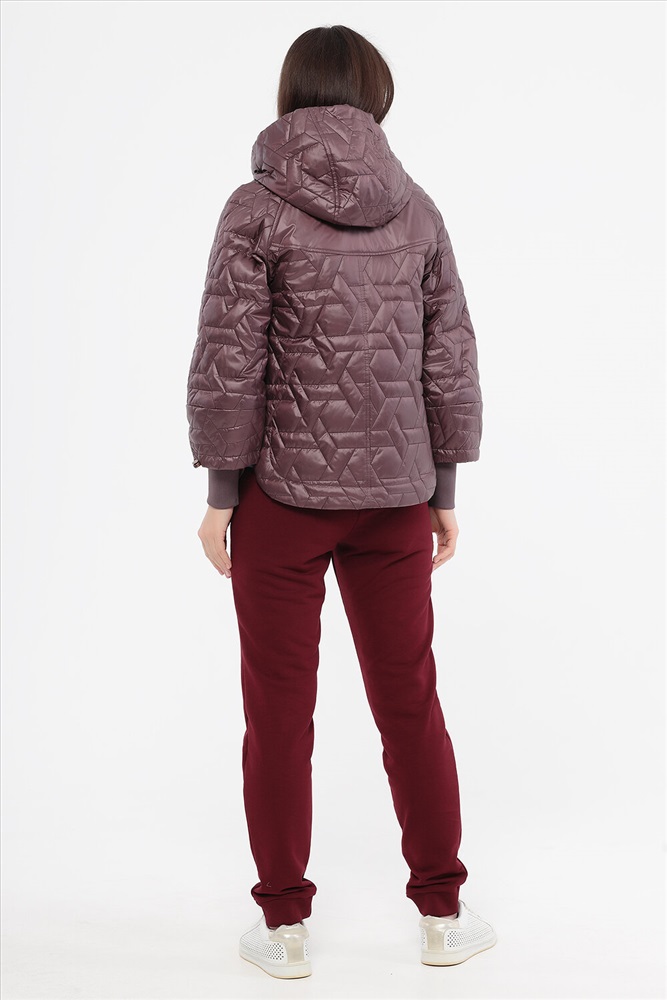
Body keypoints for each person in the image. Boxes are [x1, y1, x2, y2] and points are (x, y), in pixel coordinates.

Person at [186, 24, 497, 980]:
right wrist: (443, 485)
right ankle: (442, 912)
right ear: (375, 96)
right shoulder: (417, 209)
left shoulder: (255, 207)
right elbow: (449, 354)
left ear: (291, 94)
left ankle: (283, 928)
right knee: (410, 703)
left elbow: (229, 355)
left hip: (281, 501)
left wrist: (221, 491)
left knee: (278, 713)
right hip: (397, 497)